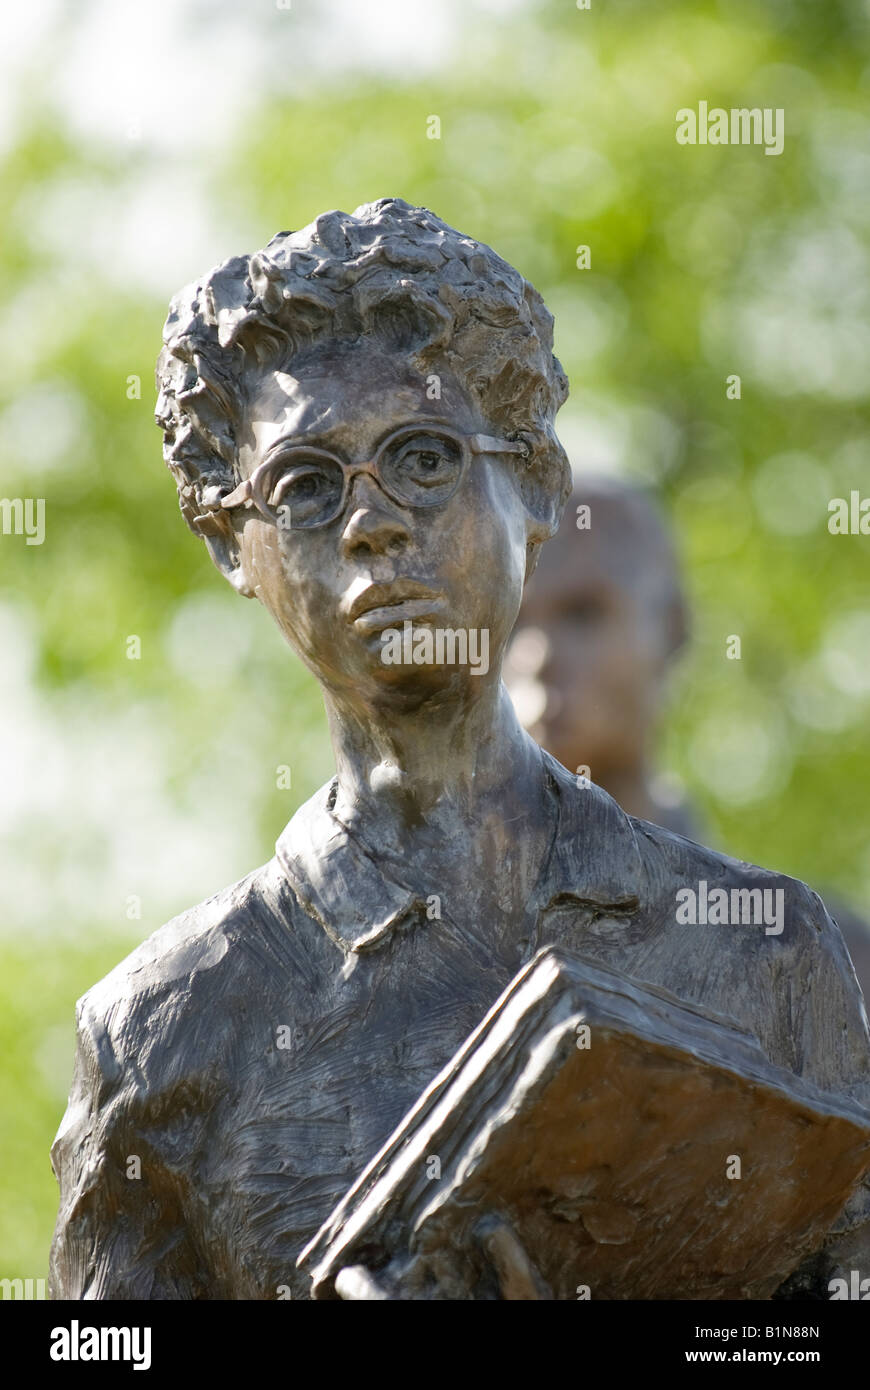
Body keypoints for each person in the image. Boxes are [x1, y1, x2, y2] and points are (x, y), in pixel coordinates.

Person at [49, 199, 870, 1300]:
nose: (371, 523)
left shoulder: (769, 957)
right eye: (304, 484)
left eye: (425, 457)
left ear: (534, 484)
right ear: (228, 542)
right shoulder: (166, 1034)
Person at [506, 478, 870, 999]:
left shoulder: (820, 956)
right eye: (512, 623)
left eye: (583, 615)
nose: (537, 658)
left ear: (670, 629)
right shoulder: (436, 955)